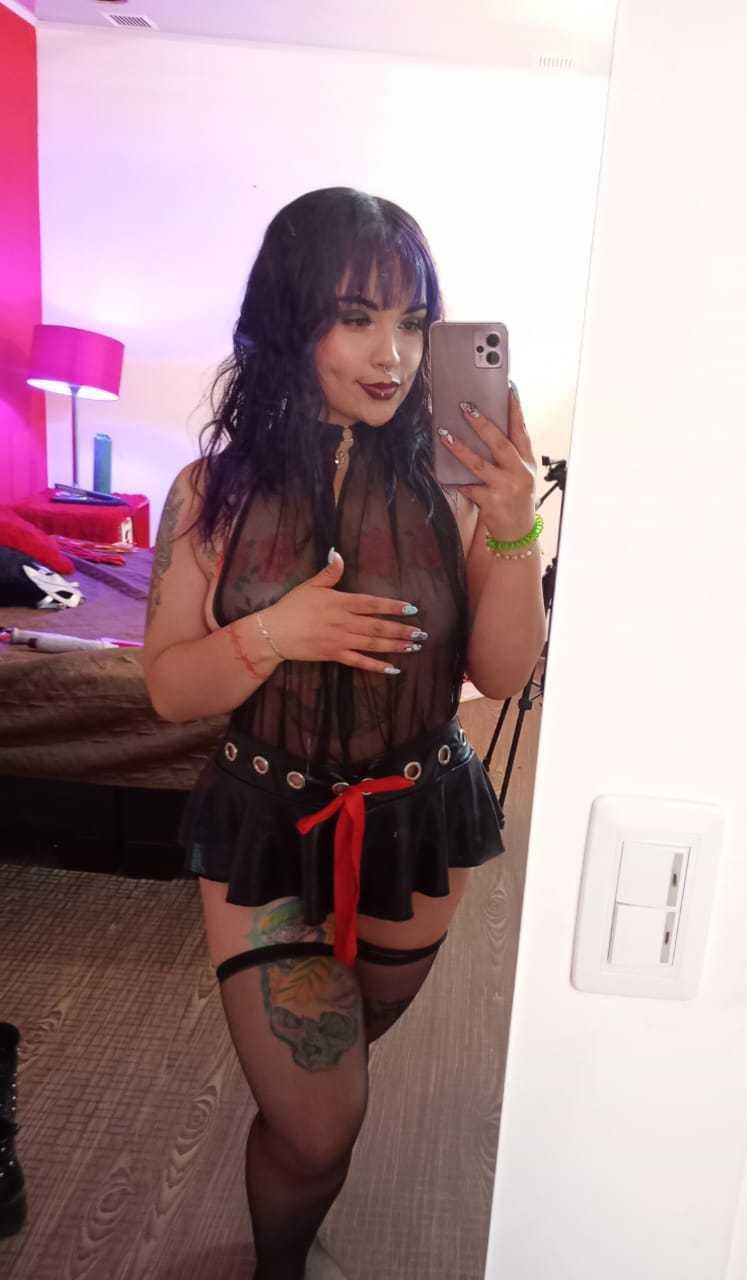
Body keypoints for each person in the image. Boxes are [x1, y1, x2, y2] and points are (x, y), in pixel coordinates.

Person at [142, 187, 546, 1280]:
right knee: (321, 1119)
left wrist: (516, 528)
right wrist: (274, 632)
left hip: (419, 818)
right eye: (357, 317)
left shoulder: (458, 486)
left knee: (336, 1067)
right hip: (267, 826)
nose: (393, 354)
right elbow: (169, 689)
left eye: (412, 321)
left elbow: (504, 674)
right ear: (291, 319)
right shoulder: (210, 493)